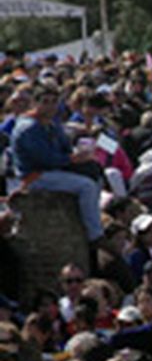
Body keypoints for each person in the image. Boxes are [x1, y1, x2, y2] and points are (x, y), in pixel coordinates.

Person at [11, 84, 105, 247]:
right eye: (45, 102)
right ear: (35, 103)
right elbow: (46, 159)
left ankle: (90, 219)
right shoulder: (28, 127)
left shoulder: (52, 123)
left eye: (54, 102)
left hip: (54, 170)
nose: (50, 106)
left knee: (95, 173)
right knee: (86, 186)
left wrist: (81, 156)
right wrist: (72, 159)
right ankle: (95, 235)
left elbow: (65, 146)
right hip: (36, 176)